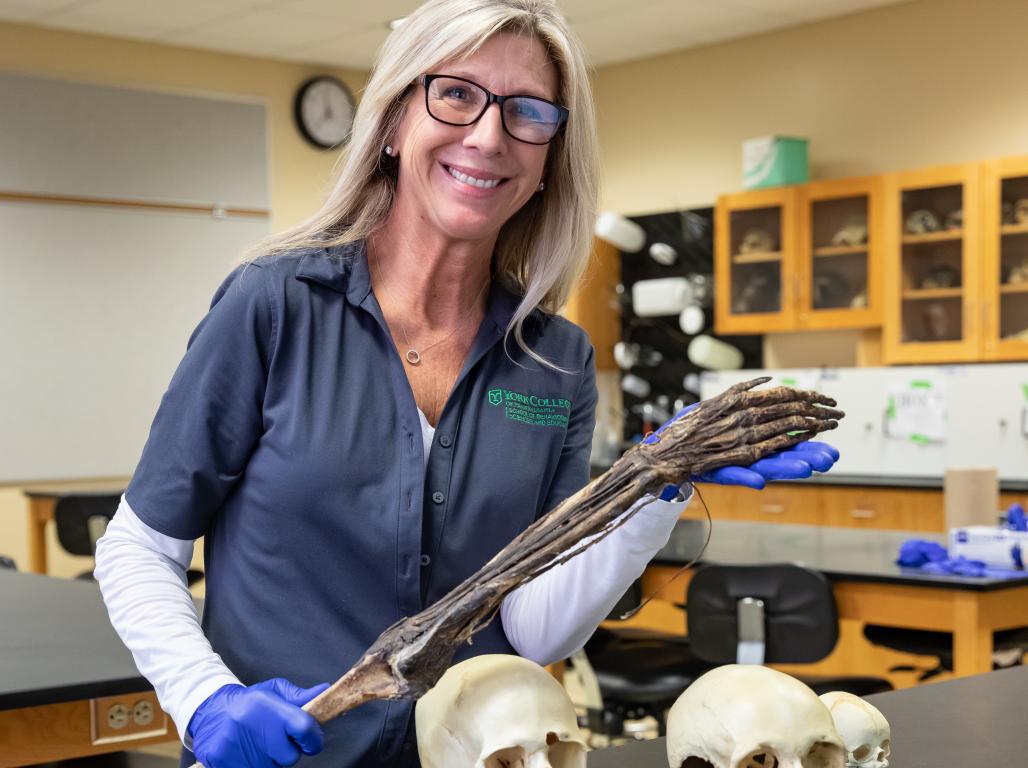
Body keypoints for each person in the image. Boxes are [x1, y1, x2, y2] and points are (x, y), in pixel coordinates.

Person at [94, 1, 839, 767]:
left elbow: (537, 627)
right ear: (391, 123)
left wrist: (652, 489)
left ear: (550, 154)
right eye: (455, 94)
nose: (489, 136)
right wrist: (203, 698)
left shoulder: (557, 360)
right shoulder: (276, 305)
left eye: (527, 112)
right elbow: (139, 546)